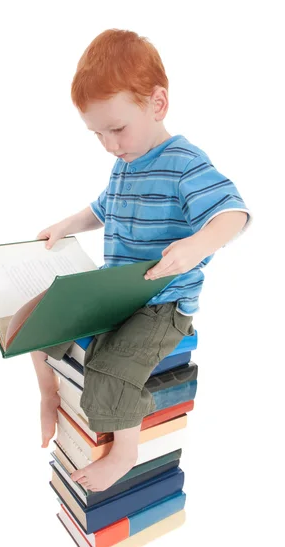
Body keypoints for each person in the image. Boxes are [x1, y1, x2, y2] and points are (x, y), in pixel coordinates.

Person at [31, 29, 251, 492]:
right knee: (37, 321)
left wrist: (196, 246)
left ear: (157, 103)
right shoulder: (126, 163)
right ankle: (50, 394)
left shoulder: (184, 162)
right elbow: (101, 208)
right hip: (118, 291)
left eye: (117, 129)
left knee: (108, 368)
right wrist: (65, 225)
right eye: (98, 134)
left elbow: (234, 213)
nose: (110, 145)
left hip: (162, 304)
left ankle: (126, 451)